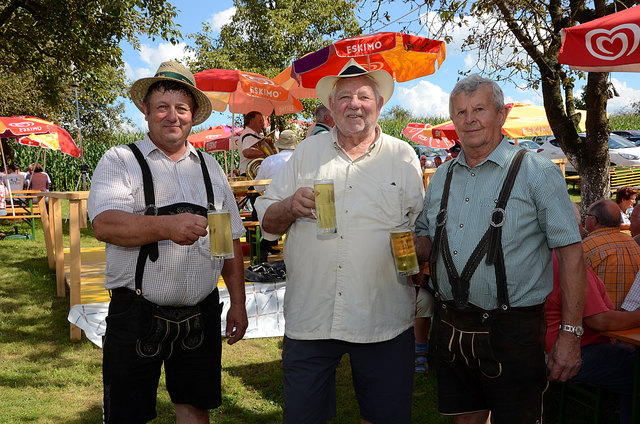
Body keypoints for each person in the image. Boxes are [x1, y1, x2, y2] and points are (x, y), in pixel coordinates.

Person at [255, 59, 424, 423]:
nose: (354, 103)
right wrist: (288, 205)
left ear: (379, 105)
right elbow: (266, 221)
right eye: (344, 96)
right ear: (331, 108)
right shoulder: (306, 153)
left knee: (386, 418)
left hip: (384, 316)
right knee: (303, 417)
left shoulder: (402, 155)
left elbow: (420, 226)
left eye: (364, 96)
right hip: (312, 317)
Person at [415, 74, 587, 424]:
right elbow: (425, 243)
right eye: (460, 112)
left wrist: (570, 335)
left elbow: (572, 255)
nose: (469, 119)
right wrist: (389, 238)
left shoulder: (535, 171)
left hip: (514, 329)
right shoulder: (442, 177)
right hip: (451, 325)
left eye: (479, 109)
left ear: (501, 114)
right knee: (465, 420)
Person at [87, 60, 248, 423]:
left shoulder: (211, 167)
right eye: (162, 107)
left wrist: (237, 303)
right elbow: (106, 225)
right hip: (136, 313)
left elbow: (228, 239)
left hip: (201, 313)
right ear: (146, 111)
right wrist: (166, 226)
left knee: (195, 407)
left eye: (181, 108)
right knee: (128, 415)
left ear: (193, 116)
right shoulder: (120, 160)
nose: (172, 116)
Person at [545, 204, 637, 424]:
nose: (583, 232)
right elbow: (599, 320)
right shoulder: (567, 262)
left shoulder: (544, 257)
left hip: (542, 349)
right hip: (570, 352)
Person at [583, 199, 640, 309]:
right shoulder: (633, 243)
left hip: (602, 319)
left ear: (593, 220)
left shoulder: (587, 247)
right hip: (631, 319)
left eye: (587, 215)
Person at [239, 111, 267, 176]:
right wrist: (267, 153)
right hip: (250, 174)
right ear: (251, 122)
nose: (263, 124)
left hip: (254, 174)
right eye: (260, 122)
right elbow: (246, 152)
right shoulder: (248, 135)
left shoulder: (257, 135)